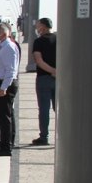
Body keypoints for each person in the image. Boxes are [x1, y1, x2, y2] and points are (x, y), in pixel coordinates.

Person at [0, 23, 20, 157]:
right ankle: (7, 141)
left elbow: (10, 70)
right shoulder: (4, 46)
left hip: (4, 85)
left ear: (4, 34)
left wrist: (3, 87)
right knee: (6, 115)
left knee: (4, 117)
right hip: (2, 83)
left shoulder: (8, 47)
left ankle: (6, 147)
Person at [31, 17, 57, 145]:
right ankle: (62, 137)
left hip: (43, 79)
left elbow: (38, 60)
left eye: (38, 26)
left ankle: (44, 137)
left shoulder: (39, 41)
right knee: (60, 109)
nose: (36, 28)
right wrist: (57, 72)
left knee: (44, 109)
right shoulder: (59, 39)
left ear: (43, 27)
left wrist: (51, 70)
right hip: (59, 79)